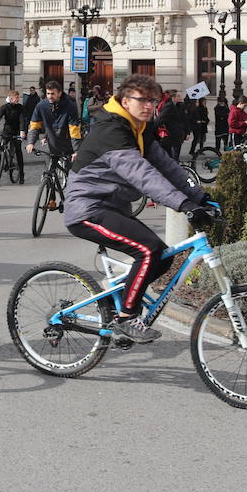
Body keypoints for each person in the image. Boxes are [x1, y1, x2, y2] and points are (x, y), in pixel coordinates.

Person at [64, 74, 213, 343]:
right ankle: (126, 319)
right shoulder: (112, 130)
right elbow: (142, 174)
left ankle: (120, 303)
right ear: (124, 101)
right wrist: (182, 205)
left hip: (112, 206)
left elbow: (166, 166)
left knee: (163, 256)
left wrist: (200, 197)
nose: (149, 106)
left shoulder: (139, 128)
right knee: (148, 250)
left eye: (152, 101)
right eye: (142, 100)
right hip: (86, 209)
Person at [26, 79, 82, 163]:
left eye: (52, 93)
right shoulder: (41, 106)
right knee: (50, 170)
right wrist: (31, 142)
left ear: (59, 93)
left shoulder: (70, 106)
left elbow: (74, 130)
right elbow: (34, 126)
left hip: (67, 144)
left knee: (69, 172)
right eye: (48, 93)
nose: (49, 96)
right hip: (52, 144)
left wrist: (76, 150)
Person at [0, 89, 25, 178]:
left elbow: (22, 120)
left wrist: (22, 131)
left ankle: (21, 173)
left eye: (18, 97)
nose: (18, 99)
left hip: (17, 132)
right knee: (1, 147)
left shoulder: (20, 108)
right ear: (11, 98)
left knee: (18, 150)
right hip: (7, 131)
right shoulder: (4, 107)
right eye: (16, 98)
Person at [155, 90, 185, 160]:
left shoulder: (168, 105)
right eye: (178, 96)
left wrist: (150, 130)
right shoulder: (165, 104)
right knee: (169, 156)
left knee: (167, 156)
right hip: (171, 134)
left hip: (172, 135)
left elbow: (159, 120)